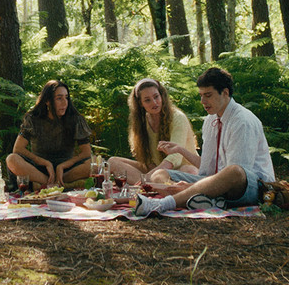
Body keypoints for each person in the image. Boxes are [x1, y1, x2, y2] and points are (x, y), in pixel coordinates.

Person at [133, 67, 275, 216]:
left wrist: (192, 186)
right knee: (159, 174)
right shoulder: (210, 120)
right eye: (201, 95)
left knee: (234, 170)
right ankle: (204, 199)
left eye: (208, 95)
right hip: (214, 184)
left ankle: (162, 204)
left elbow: (236, 177)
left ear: (225, 93)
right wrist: (181, 150)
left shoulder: (242, 121)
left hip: (254, 188)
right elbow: (207, 169)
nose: (202, 101)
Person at [107, 78, 199, 184]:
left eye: (156, 97)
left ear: (162, 96)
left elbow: (176, 156)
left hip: (181, 169)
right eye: (147, 100)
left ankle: (148, 184)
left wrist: (150, 175)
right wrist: (151, 172)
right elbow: (147, 159)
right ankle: (150, 184)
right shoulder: (142, 121)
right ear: (140, 103)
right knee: (112, 162)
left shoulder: (178, 117)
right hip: (157, 170)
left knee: (189, 171)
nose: (154, 103)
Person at [6, 80, 93, 188]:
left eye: (66, 97)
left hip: (66, 171)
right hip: (39, 170)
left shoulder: (75, 119)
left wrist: (61, 166)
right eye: (59, 98)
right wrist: (45, 163)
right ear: (47, 100)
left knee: (95, 164)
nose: (65, 102)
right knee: (12, 159)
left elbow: (86, 153)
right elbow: (18, 149)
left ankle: (48, 184)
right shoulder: (33, 119)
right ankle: (52, 183)